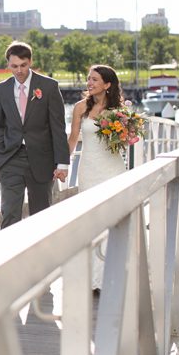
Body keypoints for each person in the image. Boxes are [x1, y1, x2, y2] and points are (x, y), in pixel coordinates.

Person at [0, 41, 70, 230]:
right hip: (10, 159)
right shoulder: (1, 89)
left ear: (30, 62)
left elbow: (58, 128)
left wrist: (62, 162)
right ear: (8, 65)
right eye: (14, 66)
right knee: (10, 213)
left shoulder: (49, 86)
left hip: (42, 159)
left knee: (41, 214)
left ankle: (41, 258)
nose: (19, 71)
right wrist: (1, 151)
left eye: (23, 65)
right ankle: (9, 258)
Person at [67, 64, 127, 291]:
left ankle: (115, 276)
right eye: (89, 79)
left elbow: (125, 142)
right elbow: (73, 138)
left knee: (114, 220)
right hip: (89, 169)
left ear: (107, 85)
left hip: (112, 169)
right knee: (92, 221)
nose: (89, 83)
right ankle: (94, 280)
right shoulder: (80, 107)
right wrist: (63, 164)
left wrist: (123, 131)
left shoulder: (118, 111)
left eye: (94, 80)